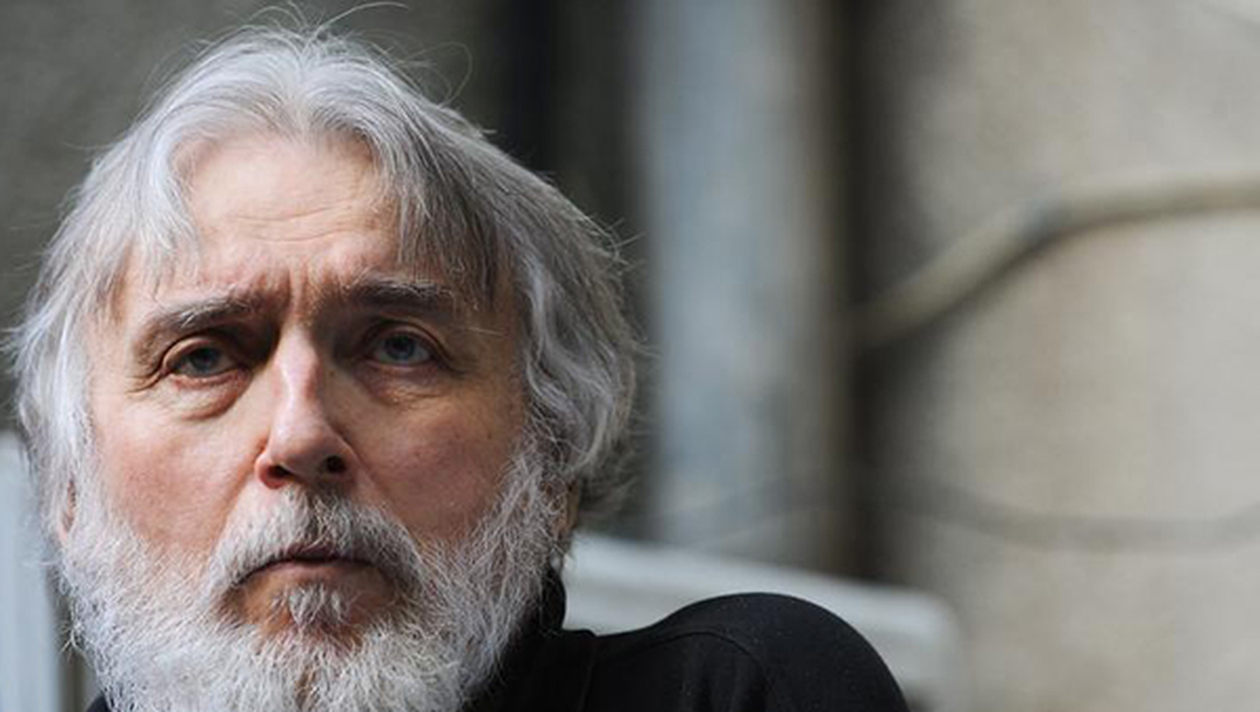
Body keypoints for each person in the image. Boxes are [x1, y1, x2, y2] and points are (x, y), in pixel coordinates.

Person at [8, 21, 909, 712]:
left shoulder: (731, 695)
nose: (301, 434)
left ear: (551, 463)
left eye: (400, 347)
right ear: (69, 490)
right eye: (203, 357)